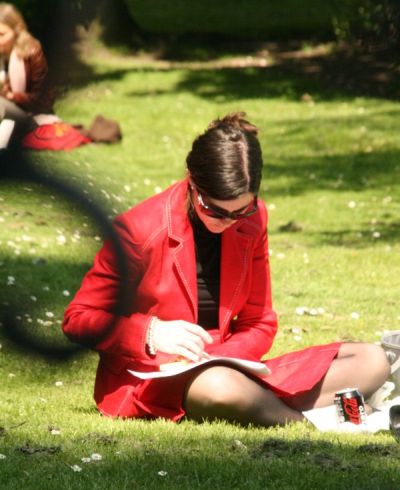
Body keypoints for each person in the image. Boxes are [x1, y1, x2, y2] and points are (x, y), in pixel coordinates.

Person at [62, 112, 390, 426]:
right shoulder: (138, 230)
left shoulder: (253, 218)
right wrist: (152, 333)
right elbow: (78, 319)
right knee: (220, 387)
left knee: (372, 361)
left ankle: (266, 405)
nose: (228, 222)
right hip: (153, 377)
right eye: (215, 210)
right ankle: (307, 422)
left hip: (226, 367)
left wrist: (222, 357)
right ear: (192, 180)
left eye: (240, 211)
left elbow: (259, 322)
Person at [0, 3, 56, 148]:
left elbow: (44, 101)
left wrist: (12, 96)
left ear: (17, 31)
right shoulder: (3, 54)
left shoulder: (32, 53)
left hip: (34, 116)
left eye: (2, 35)